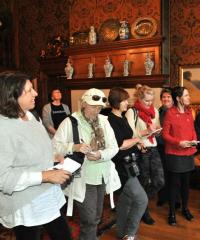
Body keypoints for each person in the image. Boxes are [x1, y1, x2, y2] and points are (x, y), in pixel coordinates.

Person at [0, 71, 72, 240]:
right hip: (25, 204)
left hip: (47, 194)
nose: (36, 93)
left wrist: (53, 157)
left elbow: (32, 148)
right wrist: (45, 176)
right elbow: (3, 177)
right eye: (29, 90)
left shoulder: (30, 116)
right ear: (12, 96)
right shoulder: (3, 128)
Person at [52, 88, 119, 240]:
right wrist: (74, 147)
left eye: (99, 107)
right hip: (83, 177)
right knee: (89, 219)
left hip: (102, 175)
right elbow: (54, 147)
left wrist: (100, 155)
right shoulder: (70, 122)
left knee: (96, 216)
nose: (97, 110)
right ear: (83, 104)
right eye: (93, 106)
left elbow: (114, 147)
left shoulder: (104, 121)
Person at [107, 87, 148, 240]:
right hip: (121, 167)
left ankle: (120, 232)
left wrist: (138, 146)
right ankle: (130, 234)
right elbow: (119, 145)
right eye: (125, 100)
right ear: (117, 102)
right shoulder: (111, 120)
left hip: (130, 163)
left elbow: (128, 141)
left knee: (126, 201)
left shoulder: (122, 117)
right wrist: (137, 140)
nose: (127, 103)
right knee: (141, 200)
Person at [125, 84, 164, 225]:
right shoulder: (132, 112)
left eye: (151, 100)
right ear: (139, 99)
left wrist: (158, 130)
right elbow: (130, 134)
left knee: (159, 181)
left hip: (153, 149)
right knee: (142, 182)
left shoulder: (155, 110)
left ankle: (139, 203)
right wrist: (146, 131)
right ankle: (143, 211)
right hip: (140, 150)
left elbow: (157, 124)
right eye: (146, 101)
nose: (149, 103)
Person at [162, 86, 198, 226]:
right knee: (174, 185)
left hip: (188, 154)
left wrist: (194, 140)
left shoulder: (189, 112)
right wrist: (179, 142)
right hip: (175, 154)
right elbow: (165, 135)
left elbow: (192, 130)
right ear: (178, 98)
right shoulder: (170, 113)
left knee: (185, 185)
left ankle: (185, 209)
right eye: (187, 95)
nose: (189, 98)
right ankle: (171, 213)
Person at [156, 87, 174, 206]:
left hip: (173, 148)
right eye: (164, 97)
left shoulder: (177, 111)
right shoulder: (158, 111)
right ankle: (162, 197)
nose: (166, 99)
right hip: (160, 147)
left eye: (168, 97)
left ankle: (175, 199)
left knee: (173, 174)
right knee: (161, 173)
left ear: (173, 99)